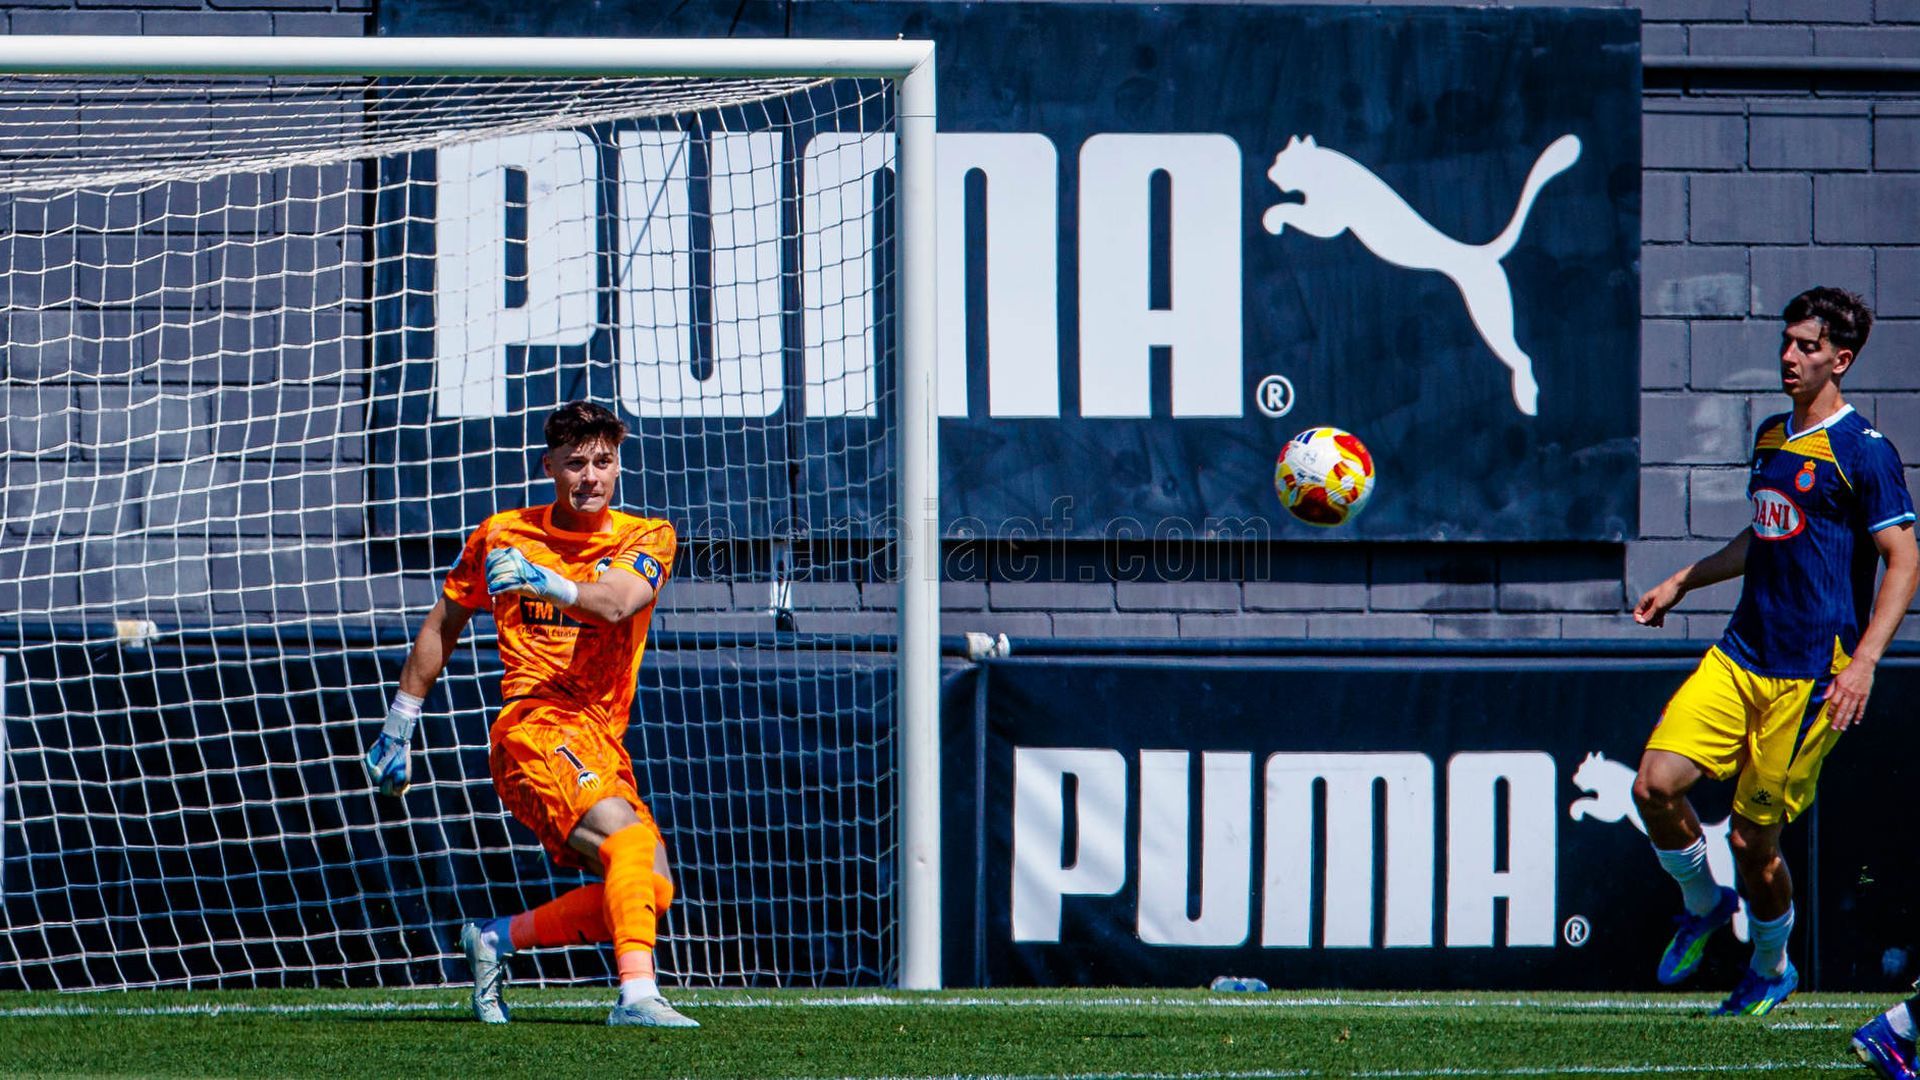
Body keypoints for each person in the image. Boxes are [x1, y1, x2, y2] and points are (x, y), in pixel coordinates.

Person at [362, 400, 696, 1028]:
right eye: (575, 464)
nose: (591, 477)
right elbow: (444, 623)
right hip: (533, 726)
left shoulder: (646, 536)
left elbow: (618, 604)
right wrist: (398, 725)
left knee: (650, 888)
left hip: (599, 736)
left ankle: (495, 939)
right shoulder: (502, 533)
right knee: (625, 841)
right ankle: (637, 996)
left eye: (603, 462)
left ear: (619, 465)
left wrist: (546, 583)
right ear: (549, 467)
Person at [1631, 286, 1918, 1017]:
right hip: (1742, 654)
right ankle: (1701, 905)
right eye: (1787, 342)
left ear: (1840, 360)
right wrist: (1681, 581)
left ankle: (1770, 963)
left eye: (1807, 347)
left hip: (1809, 680)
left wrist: (1864, 664)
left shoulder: (1864, 452)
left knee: (1757, 844)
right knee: (1654, 787)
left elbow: (1905, 561)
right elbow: (1763, 537)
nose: (1788, 356)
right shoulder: (1769, 435)